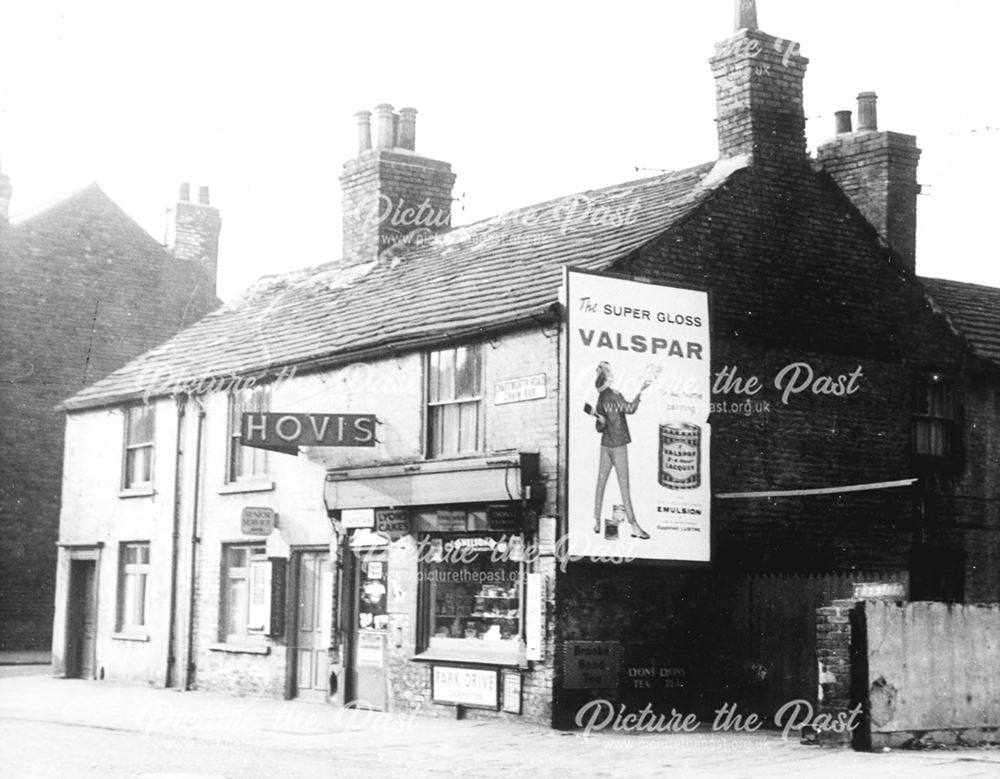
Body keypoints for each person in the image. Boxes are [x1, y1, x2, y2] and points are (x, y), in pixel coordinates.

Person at [590, 361, 651, 539]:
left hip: (605, 445)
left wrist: (601, 421)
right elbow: (630, 409)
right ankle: (634, 525)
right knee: (624, 486)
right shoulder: (615, 395)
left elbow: (599, 427)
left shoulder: (600, 398)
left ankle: (596, 521)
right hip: (618, 445)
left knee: (600, 483)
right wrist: (640, 392)